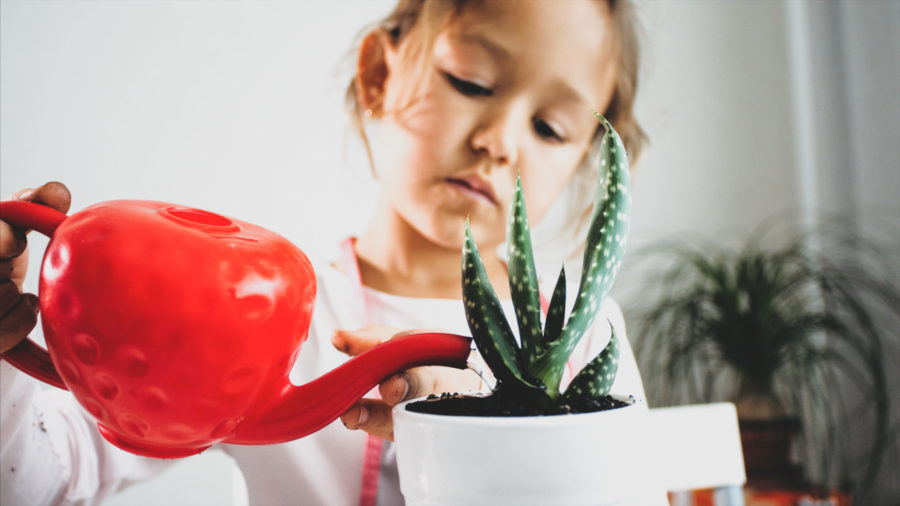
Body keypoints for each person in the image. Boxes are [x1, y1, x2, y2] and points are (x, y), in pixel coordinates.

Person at [0, 0, 648, 504]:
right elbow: (44, 482)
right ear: (376, 75)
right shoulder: (270, 313)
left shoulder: (586, 338)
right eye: (471, 81)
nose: (500, 141)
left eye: (550, 128)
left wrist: (476, 438)